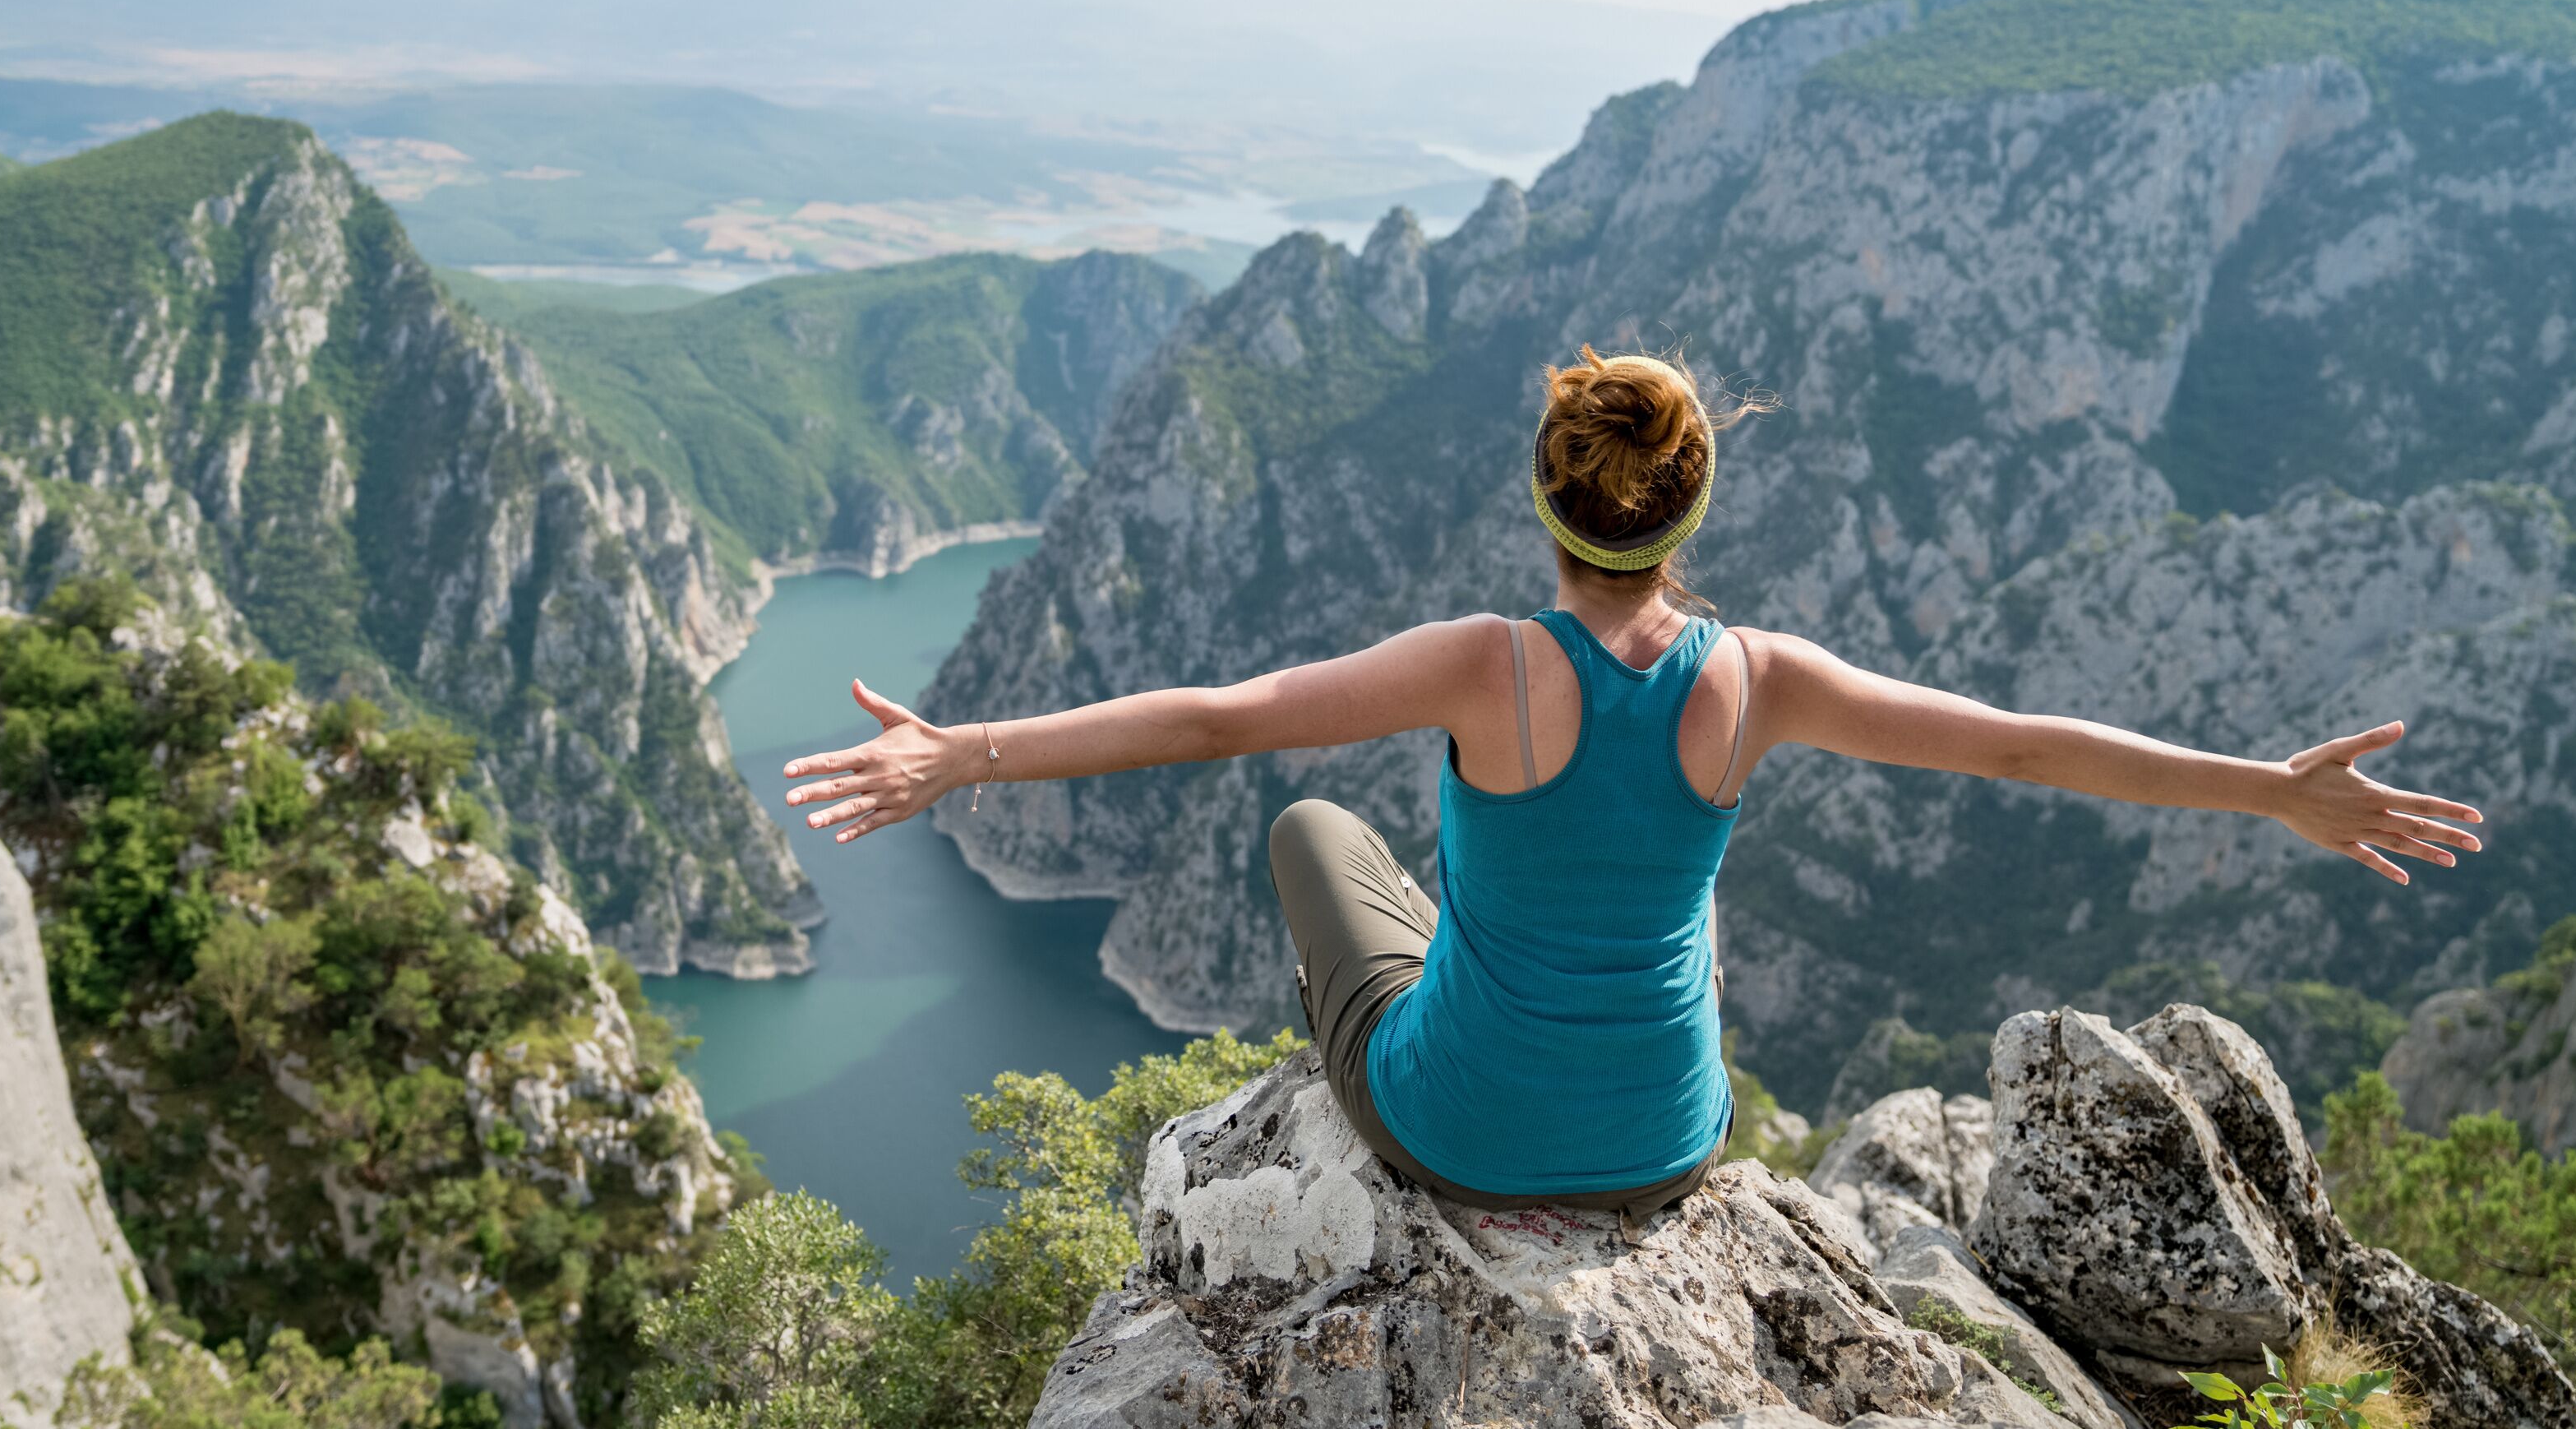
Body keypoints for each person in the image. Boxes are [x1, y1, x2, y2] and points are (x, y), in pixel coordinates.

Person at [777, 346, 2485, 1215]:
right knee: (1660, 918)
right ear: (1691, 510)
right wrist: (2270, 789)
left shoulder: (1485, 665)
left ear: (1549, 501)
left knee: (1316, 825)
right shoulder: (1763, 680)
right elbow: (2023, 744)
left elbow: (1228, 716)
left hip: (1458, 1137)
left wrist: (964, 753)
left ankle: (1421, 1044)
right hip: (1673, 1141)